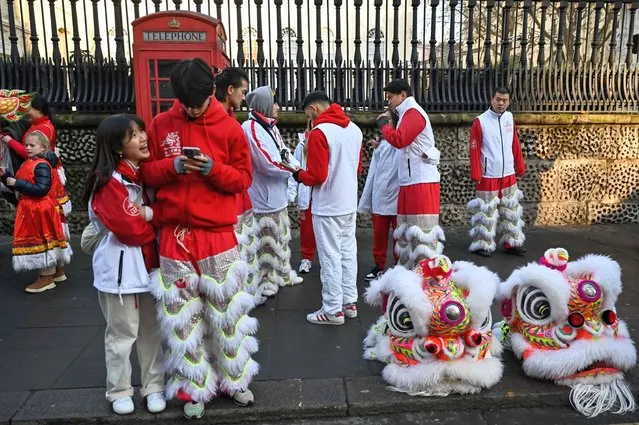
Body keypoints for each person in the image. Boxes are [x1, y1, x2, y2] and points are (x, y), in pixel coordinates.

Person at [140, 58, 258, 419]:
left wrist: (213, 170)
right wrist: (171, 167)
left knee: (227, 316)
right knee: (183, 319)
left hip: (218, 233)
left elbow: (243, 179)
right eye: (186, 103)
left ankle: (236, 379)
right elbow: (146, 171)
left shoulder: (230, 128)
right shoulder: (161, 125)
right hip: (175, 234)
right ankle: (195, 386)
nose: (192, 109)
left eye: (198, 102)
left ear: (212, 93)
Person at [83, 114, 166, 416]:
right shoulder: (107, 182)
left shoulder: (143, 176)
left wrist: (145, 213)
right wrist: (150, 216)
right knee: (121, 335)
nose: (143, 137)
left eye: (142, 131)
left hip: (149, 267)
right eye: (133, 135)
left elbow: (155, 214)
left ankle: (153, 386)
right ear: (117, 146)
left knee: (151, 332)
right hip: (119, 272)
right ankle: (119, 389)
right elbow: (130, 230)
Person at [288, 91, 362, 326]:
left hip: (328, 204)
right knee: (348, 253)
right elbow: (357, 168)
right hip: (349, 201)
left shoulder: (320, 133)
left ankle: (332, 309)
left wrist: (298, 174)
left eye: (308, 114)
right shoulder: (354, 130)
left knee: (330, 256)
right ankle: (349, 303)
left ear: (314, 109)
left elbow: (317, 176)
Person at [1, 94, 71, 281]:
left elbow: (40, 188)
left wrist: (17, 183)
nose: (28, 148)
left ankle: (46, 277)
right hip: (39, 204)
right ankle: (57, 272)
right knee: (53, 236)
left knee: (44, 238)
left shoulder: (40, 161)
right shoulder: (36, 157)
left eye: (32, 145)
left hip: (39, 207)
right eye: (27, 145)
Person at [377, 79, 445, 270]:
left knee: (422, 231)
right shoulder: (407, 113)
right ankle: (411, 273)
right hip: (411, 180)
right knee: (408, 230)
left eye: (391, 97)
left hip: (421, 180)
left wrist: (384, 126)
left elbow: (400, 140)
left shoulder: (413, 113)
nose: (389, 102)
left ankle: (426, 275)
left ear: (403, 95)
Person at [242, 85, 303, 299]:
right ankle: (265, 280)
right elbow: (267, 163)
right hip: (263, 198)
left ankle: (283, 273)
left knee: (281, 238)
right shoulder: (250, 127)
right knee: (265, 242)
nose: (278, 107)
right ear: (265, 105)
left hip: (277, 195)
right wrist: (294, 172)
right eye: (274, 103)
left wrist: (295, 167)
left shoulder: (271, 127)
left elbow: (283, 152)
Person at [214, 67, 262, 301]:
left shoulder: (230, 118)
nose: (244, 97)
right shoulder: (221, 121)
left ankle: (242, 293)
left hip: (239, 193)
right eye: (243, 91)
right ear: (230, 90)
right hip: (226, 198)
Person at [468, 86, 526, 257]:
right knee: (485, 212)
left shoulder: (509, 117)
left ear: (509, 102)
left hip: (508, 172)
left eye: (505, 100)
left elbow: (515, 142)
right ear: (491, 99)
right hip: (488, 173)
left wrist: (519, 164)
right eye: (498, 99)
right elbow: (474, 147)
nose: (501, 103)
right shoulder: (480, 121)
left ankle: (512, 242)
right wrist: (476, 172)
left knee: (512, 209)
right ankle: (481, 244)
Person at [357, 110, 400, 281]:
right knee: (379, 235)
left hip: (396, 193)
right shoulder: (381, 143)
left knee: (399, 235)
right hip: (381, 195)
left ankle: (399, 265)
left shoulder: (400, 139)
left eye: (387, 118)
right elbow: (373, 172)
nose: (383, 123)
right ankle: (379, 266)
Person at [287, 119, 316, 274]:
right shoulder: (301, 145)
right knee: (307, 229)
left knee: (325, 230)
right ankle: (306, 258)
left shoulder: (327, 141)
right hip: (307, 193)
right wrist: (291, 193)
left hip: (322, 193)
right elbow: (294, 169)